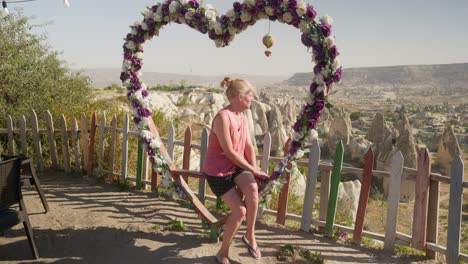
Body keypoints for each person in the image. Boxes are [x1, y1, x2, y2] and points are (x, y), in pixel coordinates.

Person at [202, 77, 269, 264]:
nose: (253, 100)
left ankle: (250, 235)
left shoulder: (242, 116)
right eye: (250, 96)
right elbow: (230, 152)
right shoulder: (223, 117)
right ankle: (222, 253)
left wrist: (254, 171)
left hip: (237, 167)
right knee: (239, 212)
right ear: (240, 97)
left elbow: (249, 146)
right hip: (218, 172)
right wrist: (253, 170)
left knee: (253, 190)